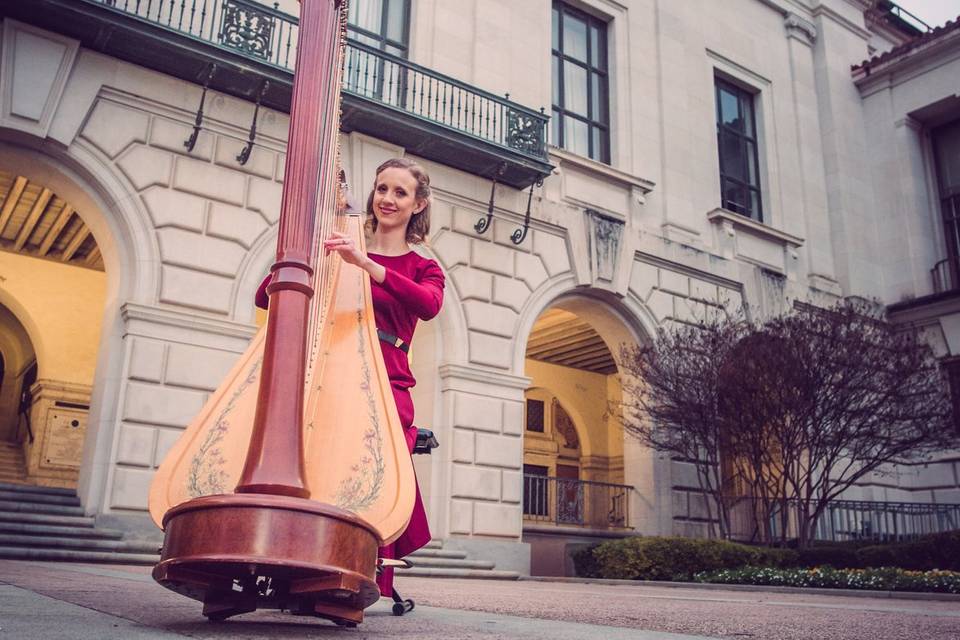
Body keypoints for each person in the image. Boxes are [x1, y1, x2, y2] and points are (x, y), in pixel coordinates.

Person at [255, 157, 444, 599]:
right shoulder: (340, 246)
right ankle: (301, 571)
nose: (388, 199)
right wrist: (299, 252)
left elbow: (429, 305)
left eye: (400, 192)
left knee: (372, 473)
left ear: (419, 204)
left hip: (387, 377)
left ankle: (362, 580)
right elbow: (264, 299)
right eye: (382, 189)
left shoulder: (422, 267)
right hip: (330, 370)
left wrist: (366, 263)